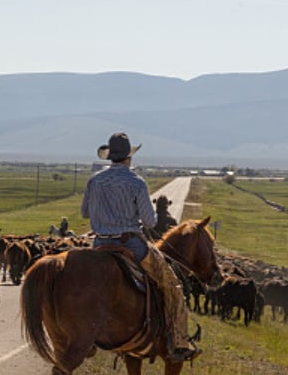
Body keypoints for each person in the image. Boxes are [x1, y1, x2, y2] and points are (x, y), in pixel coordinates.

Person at [81, 132, 200, 363]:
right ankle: (179, 342)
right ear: (128, 157)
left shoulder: (94, 181)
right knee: (172, 286)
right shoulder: (136, 182)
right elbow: (151, 222)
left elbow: (85, 212)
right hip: (131, 245)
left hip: (99, 245)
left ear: (109, 157)